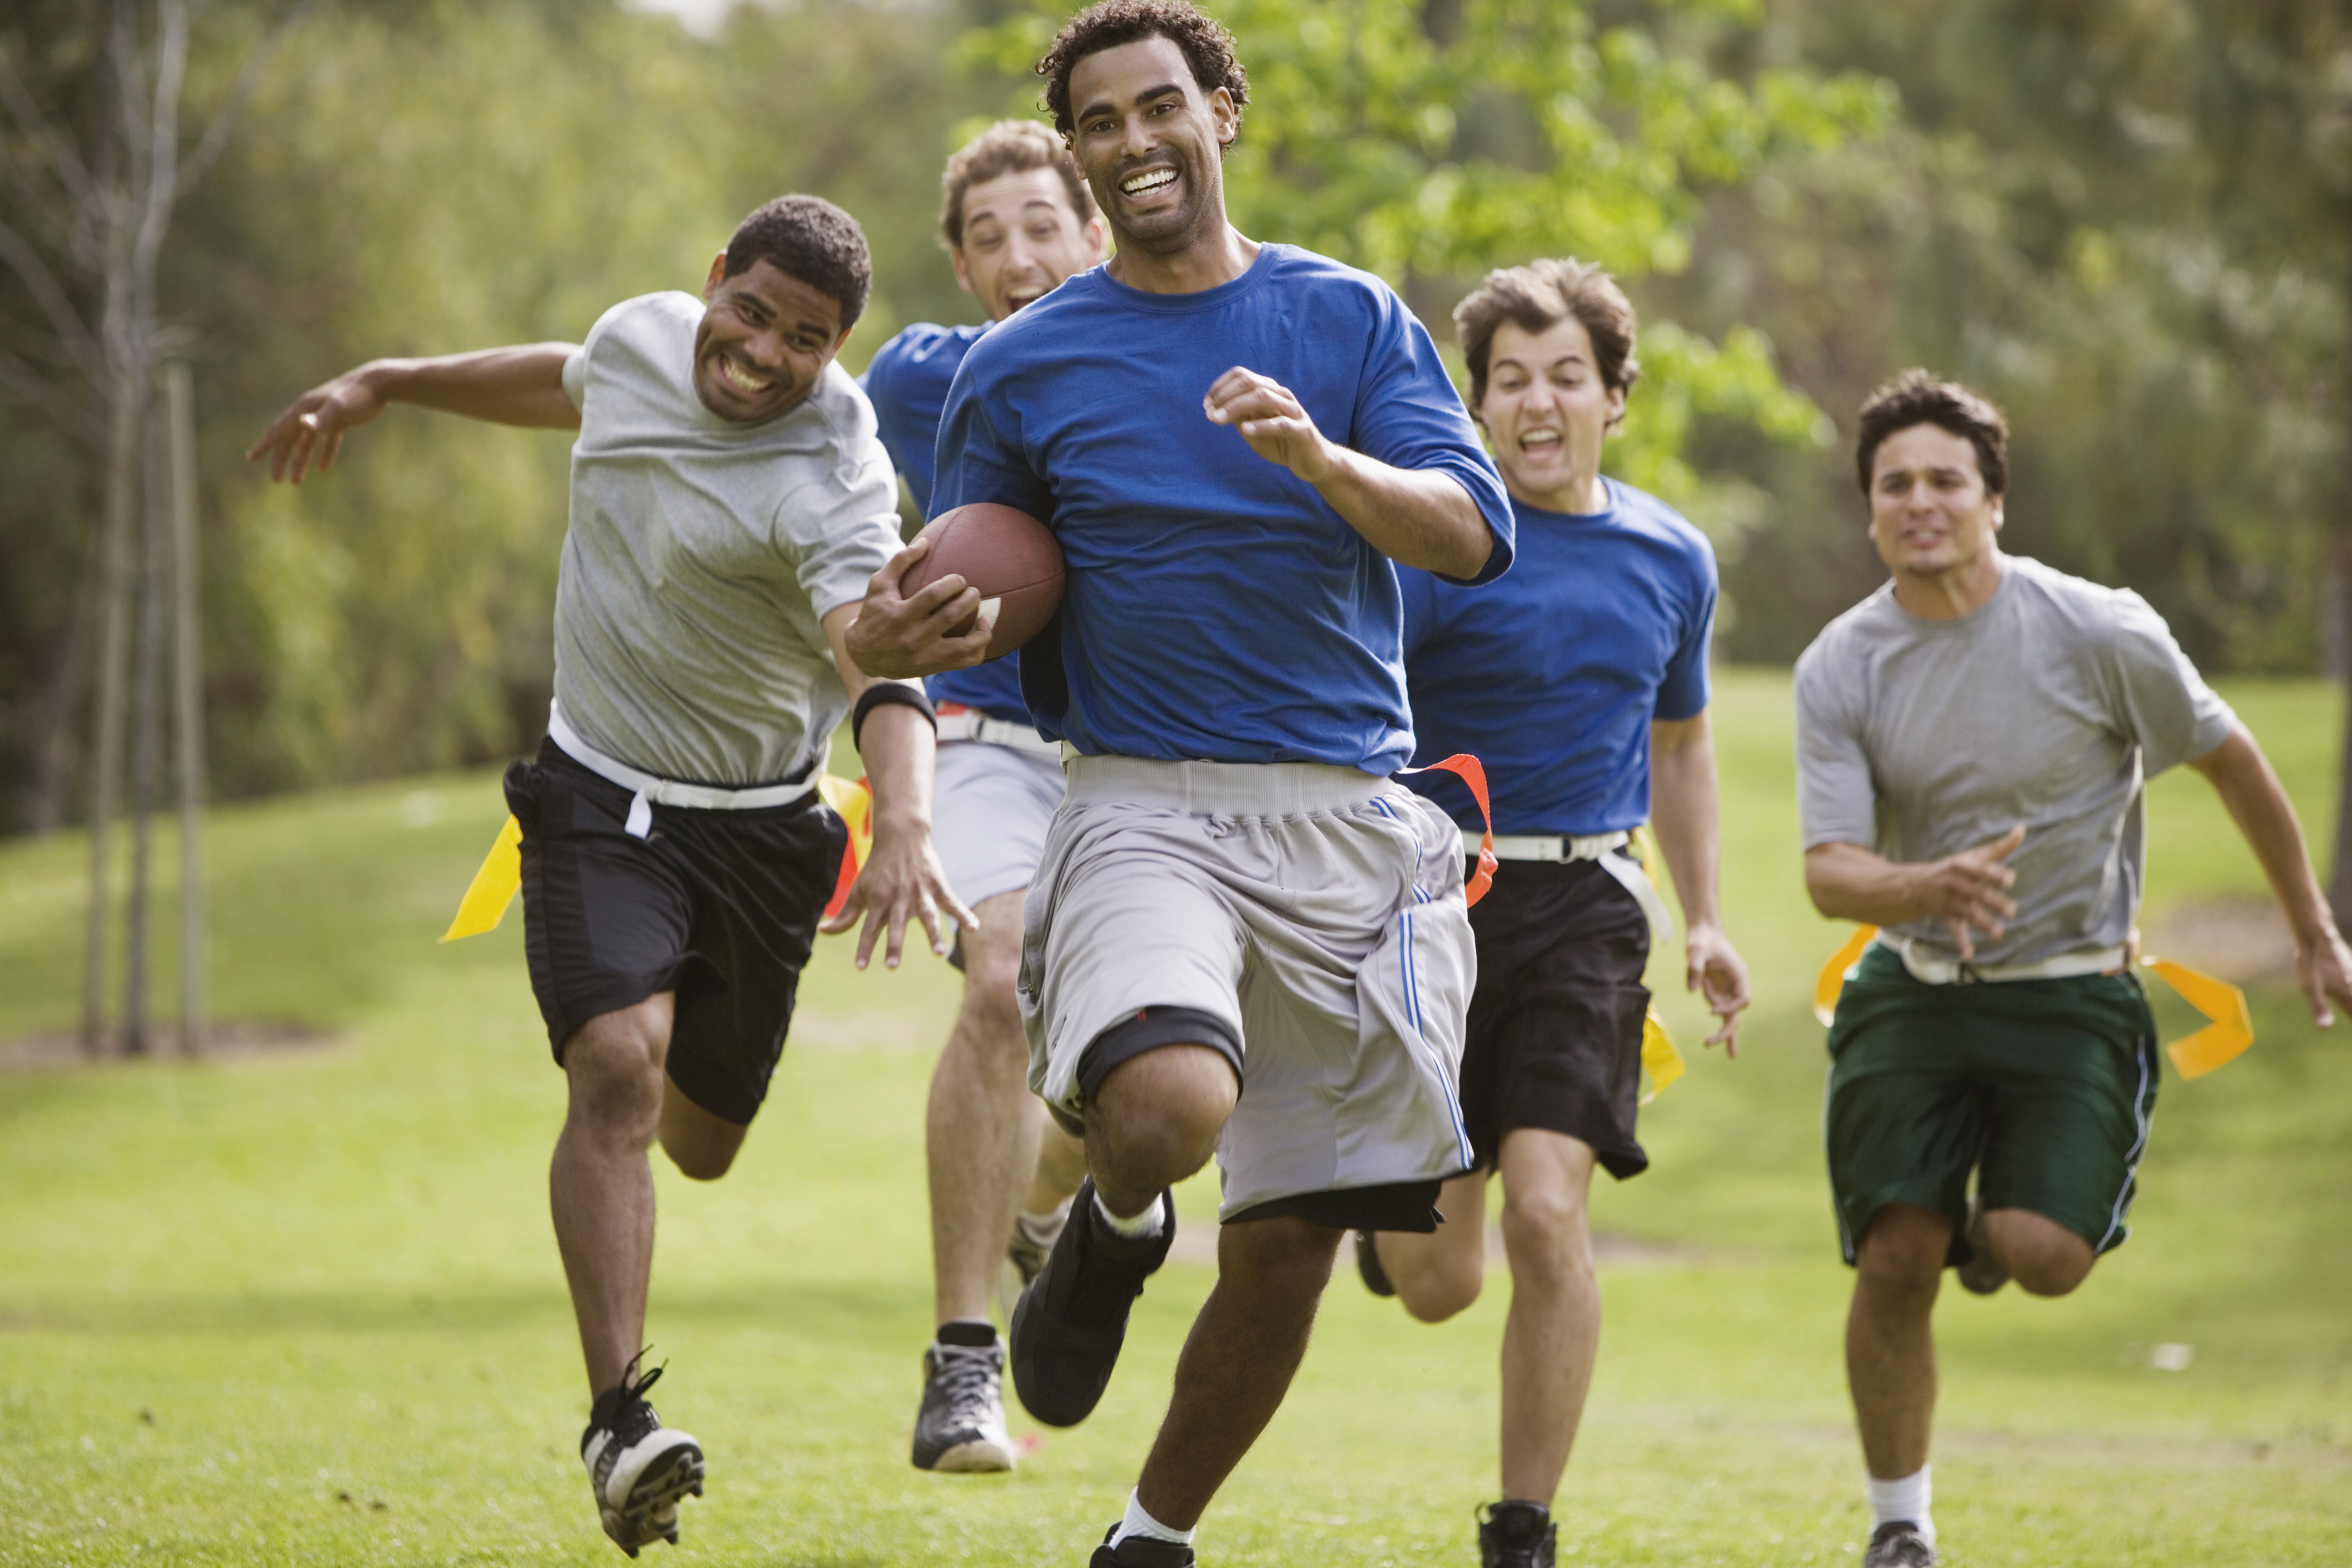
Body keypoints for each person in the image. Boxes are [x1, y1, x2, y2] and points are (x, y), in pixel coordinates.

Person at [845, 3, 1515, 1562]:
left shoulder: (1347, 320)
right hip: (1145, 795)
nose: (1136, 140)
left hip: (1346, 811)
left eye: (1162, 107)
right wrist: (895, 630)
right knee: (1165, 1099)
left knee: (1286, 1247)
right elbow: (973, 586)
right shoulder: (1017, 370)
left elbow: (1472, 536)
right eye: (1101, 120)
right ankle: (1122, 1210)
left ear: (1224, 108)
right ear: (1081, 150)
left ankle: (1152, 1532)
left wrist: (1327, 470)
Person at [246, 196, 974, 1559]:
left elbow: (872, 656)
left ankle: (639, 1283)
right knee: (616, 1068)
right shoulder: (644, 339)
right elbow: (561, 383)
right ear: (715, 281)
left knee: (699, 1140)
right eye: (749, 312)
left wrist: (913, 820)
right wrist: (389, 381)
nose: (759, 353)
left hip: (761, 831)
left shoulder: (839, 470)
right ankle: (619, 1421)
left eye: (802, 340)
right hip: (597, 793)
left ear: (837, 350)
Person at [1795, 370, 2352, 1568]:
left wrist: (2308, 924)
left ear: (1993, 498)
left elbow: (2229, 756)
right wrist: (1923, 886)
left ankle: (1988, 1232)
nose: (1918, 500)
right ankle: (1900, 1526)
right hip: (1913, 988)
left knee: (2043, 1254)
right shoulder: (1840, 663)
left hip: (2072, 984)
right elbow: (1832, 872)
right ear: (1869, 512)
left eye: (1945, 478)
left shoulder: (2097, 629)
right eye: (1893, 485)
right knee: (1892, 1253)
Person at [1355, 259, 1752, 1568]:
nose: (1536, 402)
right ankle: (1386, 1225)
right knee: (1438, 1282)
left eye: (1563, 376)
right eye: (1508, 381)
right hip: (1434, 900)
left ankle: (1521, 1525)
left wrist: (1702, 916)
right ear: (1475, 406)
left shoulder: (1668, 555)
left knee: (1544, 1208)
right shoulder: (1440, 546)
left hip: (1588, 900)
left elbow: (1681, 745)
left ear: (1613, 397)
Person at [860, 119, 1107, 1476]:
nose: (1017, 254)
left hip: (1140, 754)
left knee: (1138, 1071)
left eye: (1038, 224)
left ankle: (1038, 1207)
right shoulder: (923, 376)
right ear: (959, 264)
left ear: (1090, 233)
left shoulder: (1179, 368)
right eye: (987, 235)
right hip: (988, 734)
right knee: (999, 973)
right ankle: (962, 1363)